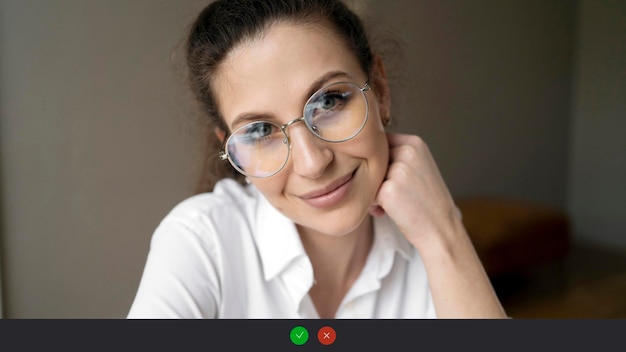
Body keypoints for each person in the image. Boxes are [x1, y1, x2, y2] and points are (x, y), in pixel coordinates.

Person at [127, 0, 507, 319]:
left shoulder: (430, 233)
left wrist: (443, 236)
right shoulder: (200, 243)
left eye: (329, 101)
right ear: (230, 147)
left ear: (380, 89)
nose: (312, 162)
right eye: (260, 131)